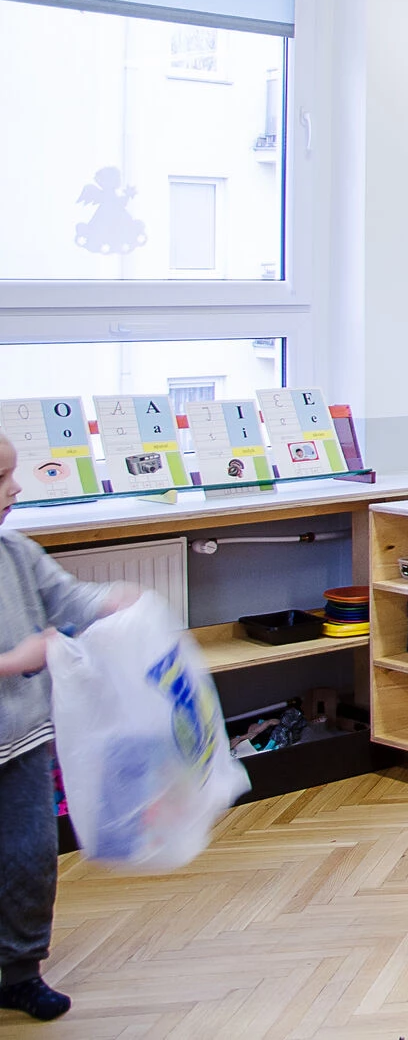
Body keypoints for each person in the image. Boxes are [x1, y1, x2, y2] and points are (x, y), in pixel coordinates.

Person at [0, 434, 140, 1022]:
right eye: (1, 478)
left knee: (30, 858)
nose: (15, 487)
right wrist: (15, 661)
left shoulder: (17, 554)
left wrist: (109, 602)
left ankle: (19, 971)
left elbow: (66, 598)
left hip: (23, 740)